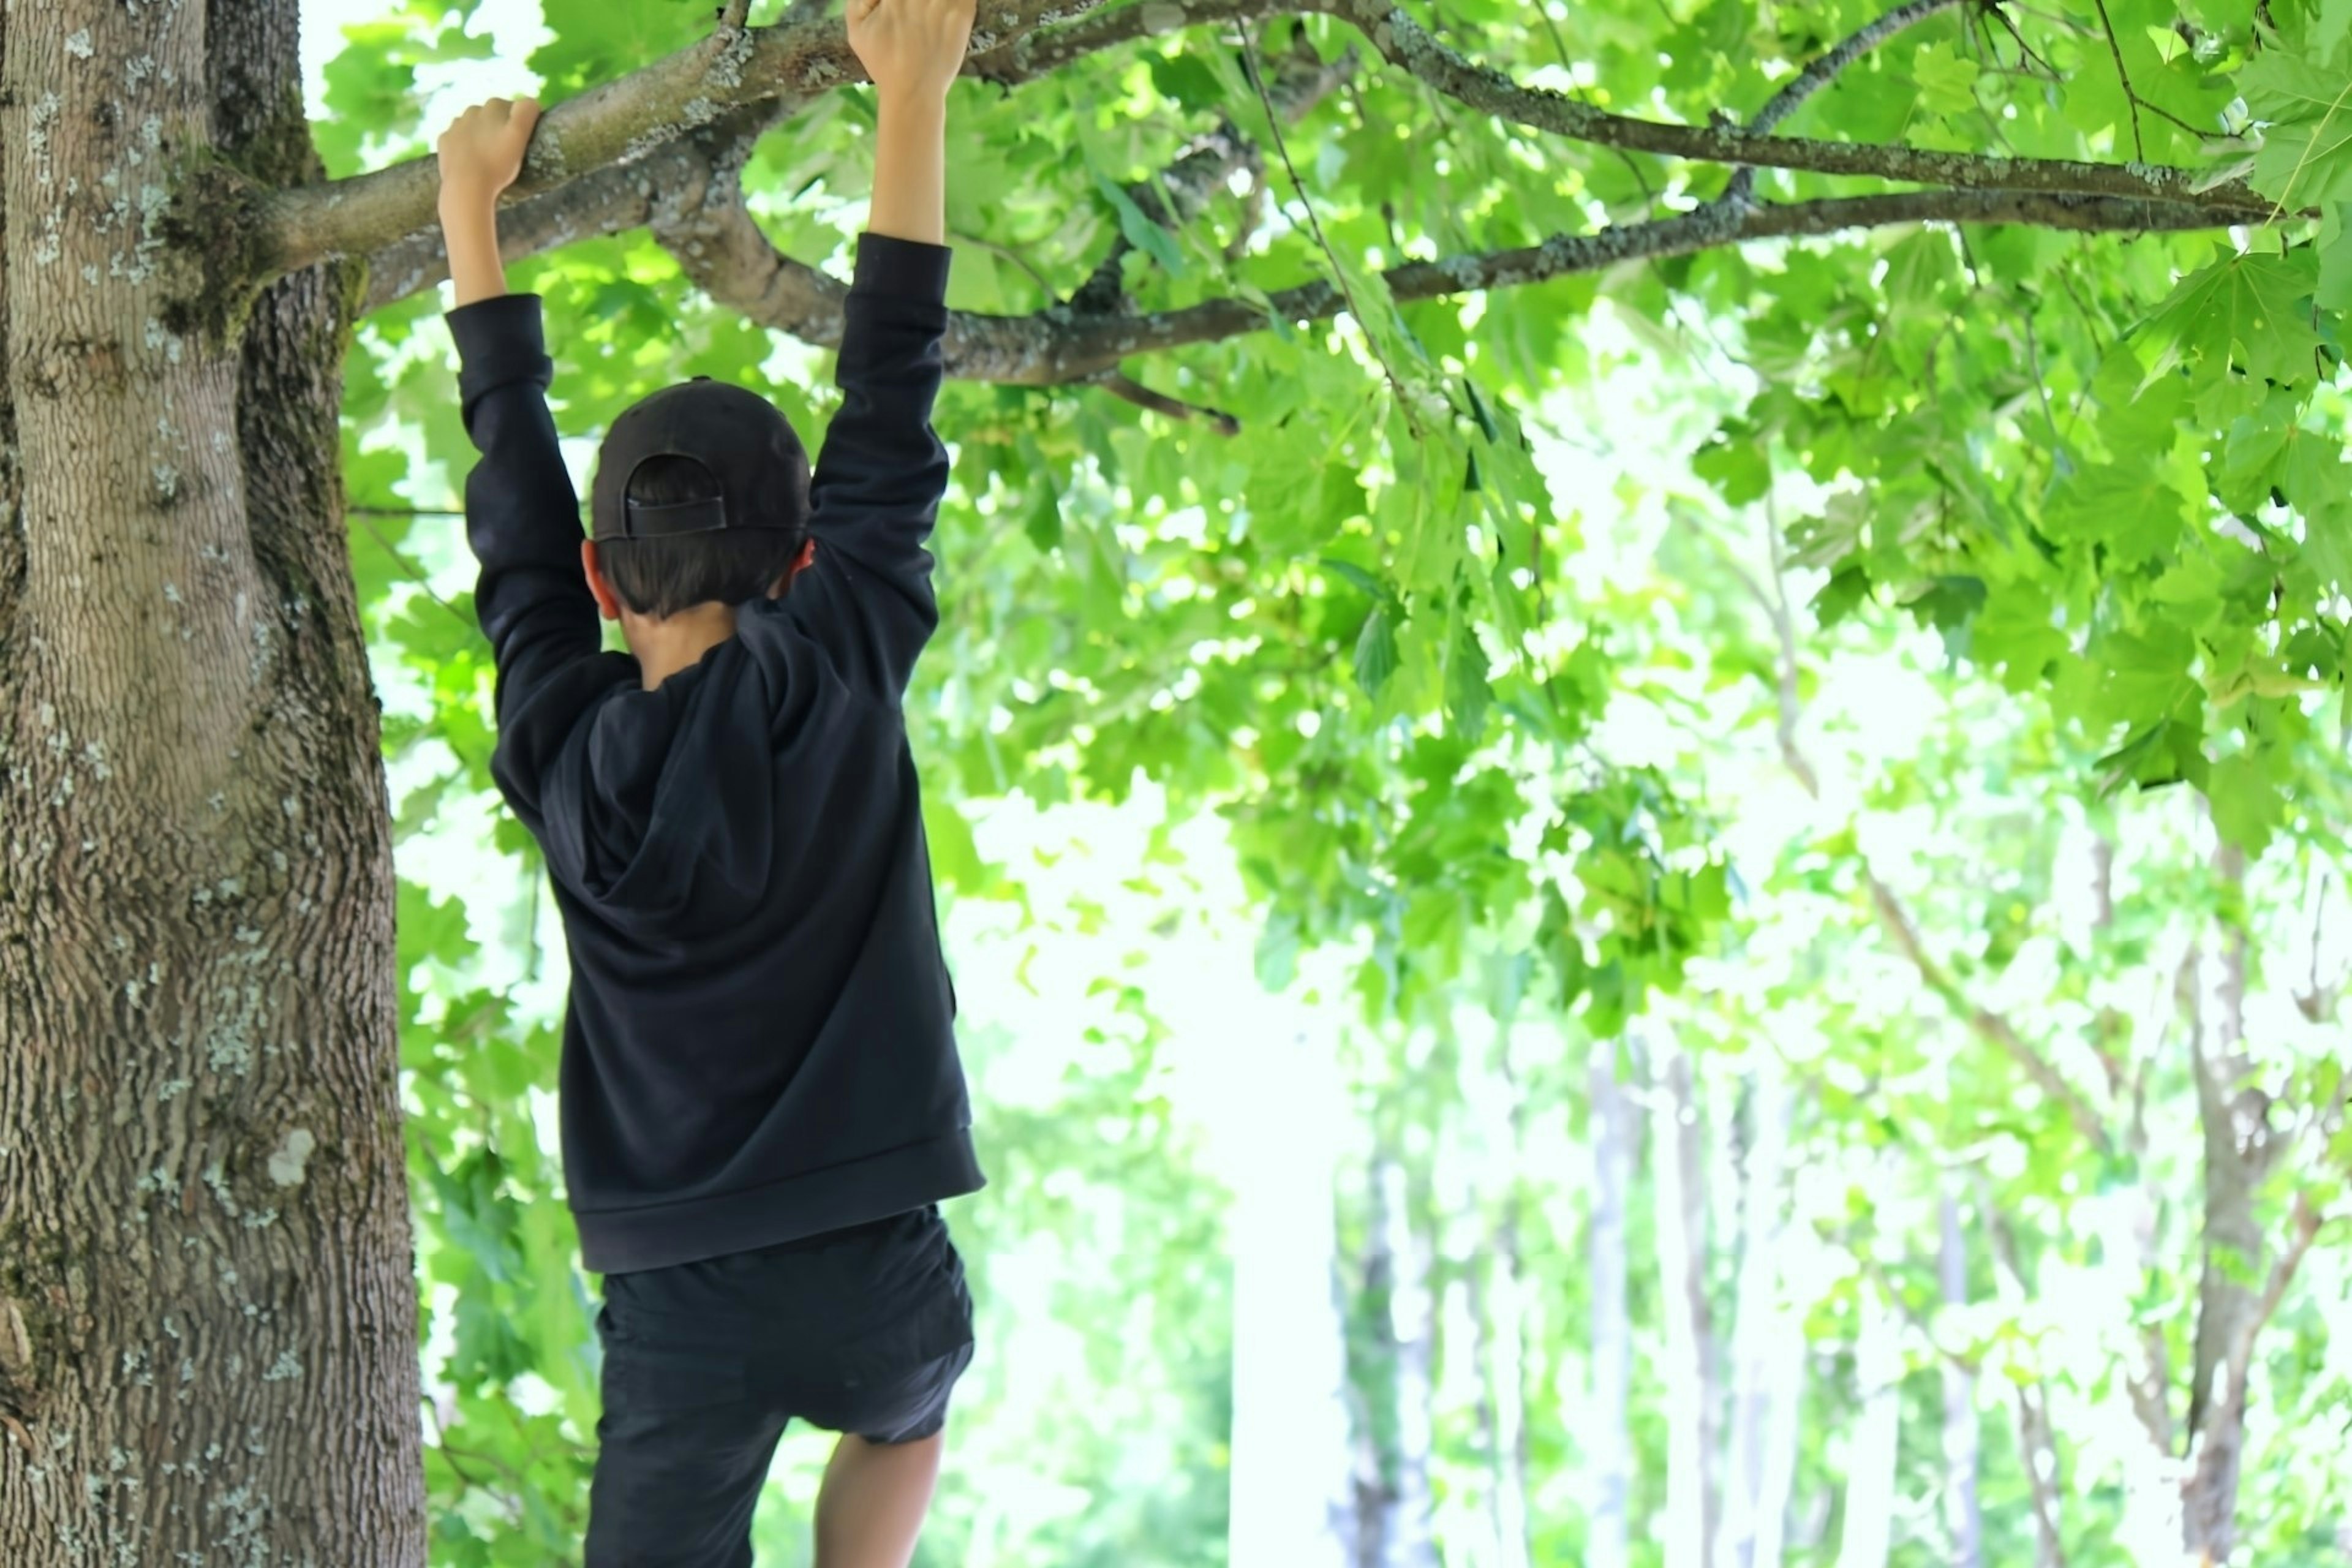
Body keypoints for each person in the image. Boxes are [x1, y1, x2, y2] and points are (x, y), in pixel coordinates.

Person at [432, 0, 984, 1561]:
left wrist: (470, 210)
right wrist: (912, 96)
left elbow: (514, 531)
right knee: (911, 1410)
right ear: (807, 561)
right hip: (875, 1267)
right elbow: (893, 402)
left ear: (608, 584)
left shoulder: (561, 741)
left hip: (677, 1302)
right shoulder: (845, 658)